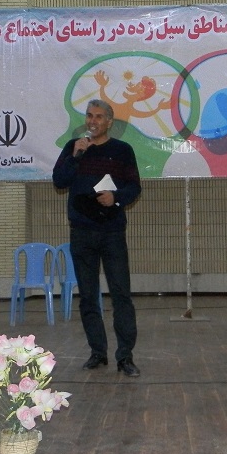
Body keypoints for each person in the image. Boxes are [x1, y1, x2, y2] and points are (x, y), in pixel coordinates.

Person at [52, 99, 142, 376]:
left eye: (99, 117)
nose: (92, 121)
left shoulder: (122, 150)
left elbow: (134, 187)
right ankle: (97, 352)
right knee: (88, 296)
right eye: (89, 116)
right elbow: (59, 181)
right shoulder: (74, 147)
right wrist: (75, 156)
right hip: (81, 233)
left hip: (112, 232)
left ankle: (125, 356)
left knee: (121, 295)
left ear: (109, 122)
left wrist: (116, 197)